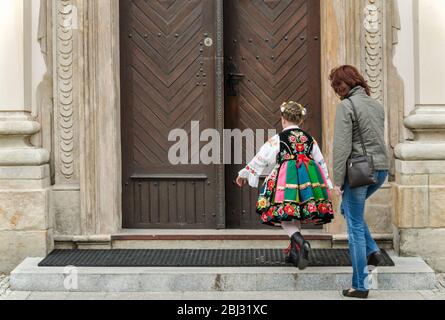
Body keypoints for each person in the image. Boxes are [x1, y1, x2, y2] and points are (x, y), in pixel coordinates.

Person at [236, 101, 334, 270]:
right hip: (307, 181)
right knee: (294, 213)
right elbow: (320, 162)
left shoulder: (279, 138)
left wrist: (244, 173)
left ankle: (300, 241)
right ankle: (295, 253)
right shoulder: (310, 139)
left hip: (285, 179)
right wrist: (327, 183)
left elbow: (261, 157)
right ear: (301, 121)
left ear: (283, 119)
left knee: (282, 213)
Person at [330, 65, 390, 299]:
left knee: (354, 227)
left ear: (341, 85)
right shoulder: (376, 105)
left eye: (336, 86)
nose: (336, 91)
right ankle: (373, 250)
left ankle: (360, 286)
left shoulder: (346, 106)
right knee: (348, 209)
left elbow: (342, 146)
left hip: (359, 172)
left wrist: (337, 180)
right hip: (381, 169)